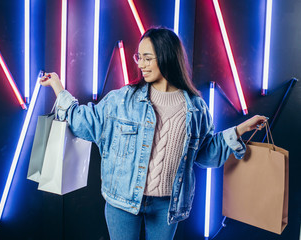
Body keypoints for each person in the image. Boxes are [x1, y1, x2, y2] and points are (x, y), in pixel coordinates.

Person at [40, 27, 267, 240]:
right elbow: (84, 123)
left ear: (167, 57)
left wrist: (239, 130)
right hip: (122, 201)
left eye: (148, 58)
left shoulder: (196, 108)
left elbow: (206, 155)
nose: (142, 65)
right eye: (139, 58)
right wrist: (59, 88)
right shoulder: (123, 99)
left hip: (168, 205)